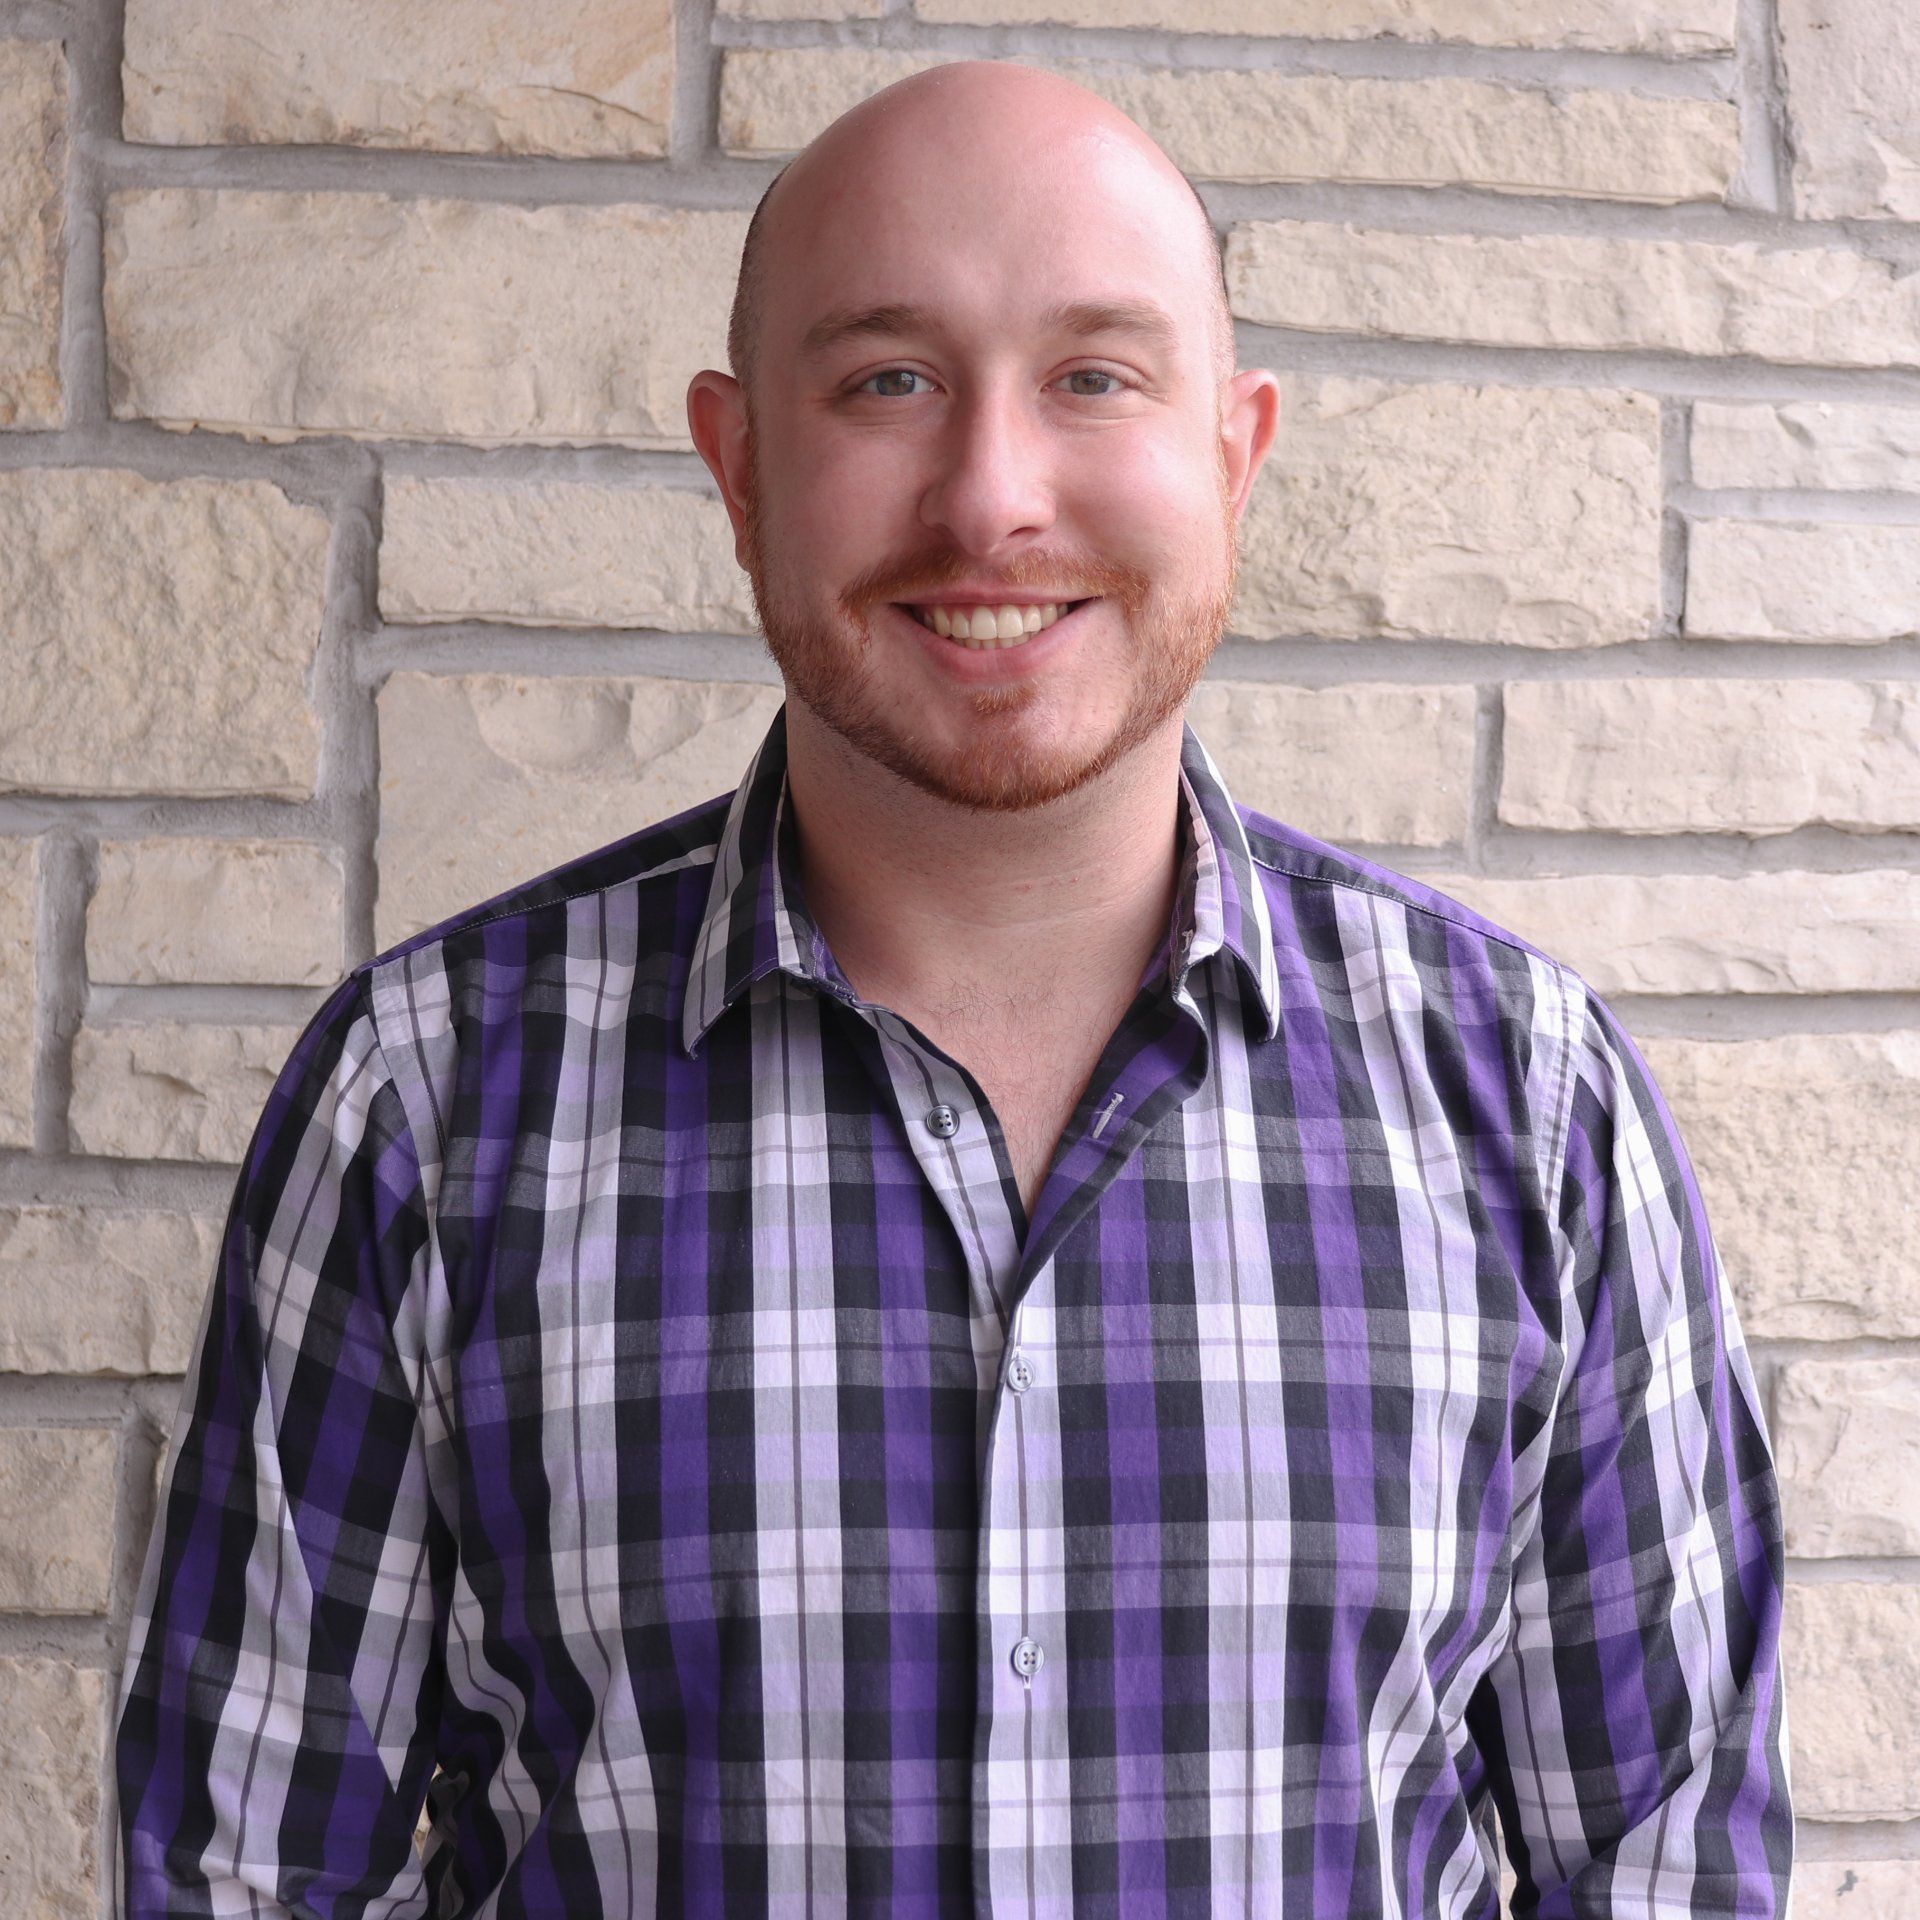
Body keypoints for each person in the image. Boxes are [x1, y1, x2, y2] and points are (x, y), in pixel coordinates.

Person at [114, 57, 1792, 1919]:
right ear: (742, 466)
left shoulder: (1527, 1108)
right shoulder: (424, 1105)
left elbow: (1663, 1877)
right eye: (889, 380)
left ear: (1232, 455)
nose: (993, 496)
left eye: (1094, 376)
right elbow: (243, 1875)